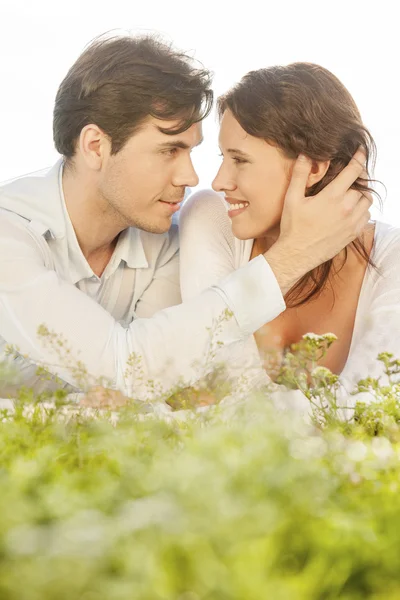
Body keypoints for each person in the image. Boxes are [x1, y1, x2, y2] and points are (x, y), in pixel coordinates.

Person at [0, 36, 371, 403]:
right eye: (169, 150)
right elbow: (128, 367)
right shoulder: (10, 236)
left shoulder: (166, 235)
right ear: (96, 146)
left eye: (191, 151)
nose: (191, 178)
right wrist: (292, 257)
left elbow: (163, 383)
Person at [179, 62, 400, 400]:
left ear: (312, 167)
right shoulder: (212, 217)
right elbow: (214, 373)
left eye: (240, 160)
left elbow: (370, 409)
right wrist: (298, 251)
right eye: (223, 157)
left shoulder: (392, 260)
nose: (219, 182)